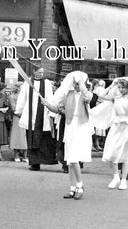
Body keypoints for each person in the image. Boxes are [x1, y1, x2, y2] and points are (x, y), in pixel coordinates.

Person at [44, 72, 93, 200]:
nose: (76, 86)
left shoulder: (86, 94)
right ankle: (72, 188)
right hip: (70, 127)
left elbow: (87, 97)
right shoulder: (68, 95)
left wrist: (81, 82)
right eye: (74, 84)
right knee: (70, 160)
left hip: (81, 128)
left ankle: (80, 186)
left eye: (78, 84)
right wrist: (47, 104)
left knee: (74, 157)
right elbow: (59, 109)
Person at [90, 78, 128, 190]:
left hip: (127, 126)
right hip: (116, 126)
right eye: (120, 87)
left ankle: (124, 180)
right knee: (112, 151)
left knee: (125, 155)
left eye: (123, 87)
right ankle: (115, 176)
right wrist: (112, 84)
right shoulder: (115, 97)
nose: (121, 89)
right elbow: (101, 95)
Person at [15, 67, 57, 171]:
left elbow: (50, 97)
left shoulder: (46, 83)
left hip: (43, 116)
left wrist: (51, 111)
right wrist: (19, 110)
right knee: (31, 139)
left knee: (42, 140)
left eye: (43, 72)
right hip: (30, 115)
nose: (41, 74)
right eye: (39, 72)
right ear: (34, 71)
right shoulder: (28, 82)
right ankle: (34, 163)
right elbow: (23, 97)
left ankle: (43, 160)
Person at [9, 82, 27, 162]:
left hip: (25, 117)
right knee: (16, 136)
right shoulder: (12, 97)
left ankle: (25, 156)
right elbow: (13, 108)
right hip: (17, 117)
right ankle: (16, 155)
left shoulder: (27, 97)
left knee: (25, 136)